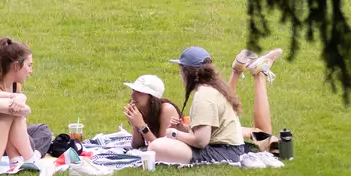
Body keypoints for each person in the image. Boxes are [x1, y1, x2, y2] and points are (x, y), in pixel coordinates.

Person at [146, 45, 283, 166]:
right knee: (160, 145)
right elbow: (208, 132)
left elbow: (201, 141)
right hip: (229, 147)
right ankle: (239, 70)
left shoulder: (203, 96)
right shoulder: (213, 88)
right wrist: (184, 129)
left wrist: (175, 134)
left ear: (186, 72)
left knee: (157, 147)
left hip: (224, 152)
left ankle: (247, 71)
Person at [0, 37, 38, 163]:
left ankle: (26, 155)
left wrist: (22, 97)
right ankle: (29, 158)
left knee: (42, 131)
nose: (30, 71)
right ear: (16, 66)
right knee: (14, 114)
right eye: (29, 66)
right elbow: (21, 113)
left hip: (13, 134)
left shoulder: (15, 85)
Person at [120, 74, 182, 150]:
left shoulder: (167, 110)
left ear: (152, 96)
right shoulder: (140, 109)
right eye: (133, 90)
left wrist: (142, 126)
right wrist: (135, 125)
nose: (132, 95)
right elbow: (137, 146)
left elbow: (163, 149)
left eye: (139, 92)